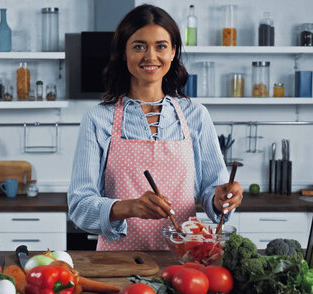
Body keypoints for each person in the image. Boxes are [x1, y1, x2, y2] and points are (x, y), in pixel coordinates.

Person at [67, 4, 243, 251]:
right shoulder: (98, 119)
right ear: (124, 53)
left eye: (161, 46)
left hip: (183, 263)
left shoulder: (196, 115)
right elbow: (79, 207)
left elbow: (212, 191)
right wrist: (131, 207)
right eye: (139, 46)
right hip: (118, 264)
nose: (151, 56)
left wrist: (222, 197)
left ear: (173, 52)